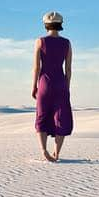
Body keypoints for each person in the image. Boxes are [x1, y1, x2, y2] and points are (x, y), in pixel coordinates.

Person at [32, 11, 73, 162]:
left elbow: (36, 67)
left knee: (42, 115)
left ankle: (44, 150)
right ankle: (57, 153)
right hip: (61, 83)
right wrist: (67, 87)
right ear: (60, 24)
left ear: (45, 24)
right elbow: (68, 69)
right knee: (61, 117)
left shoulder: (40, 41)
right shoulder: (67, 43)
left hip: (44, 83)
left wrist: (34, 86)